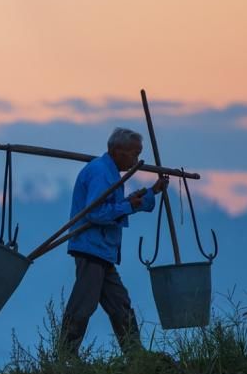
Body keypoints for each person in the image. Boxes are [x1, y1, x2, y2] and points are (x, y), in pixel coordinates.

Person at [59, 127, 169, 357]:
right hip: (91, 249)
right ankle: (65, 357)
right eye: (133, 153)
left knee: (120, 304)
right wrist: (131, 205)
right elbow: (95, 213)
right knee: (83, 305)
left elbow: (115, 208)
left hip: (103, 251)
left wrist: (150, 194)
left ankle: (135, 355)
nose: (136, 160)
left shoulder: (111, 174)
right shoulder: (101, 172)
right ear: (117, 151)